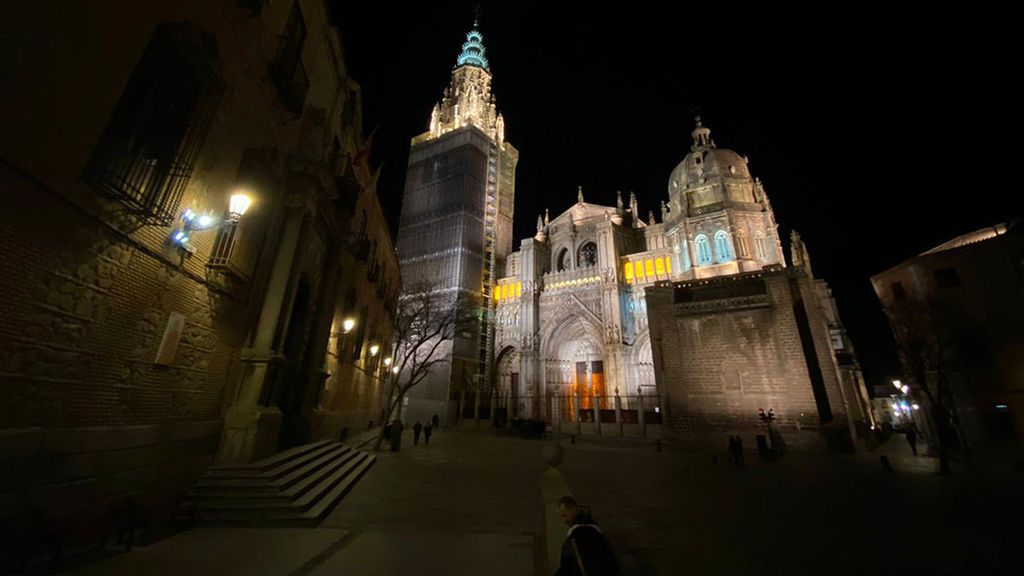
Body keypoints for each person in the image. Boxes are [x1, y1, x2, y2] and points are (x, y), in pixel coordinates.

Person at [555, 496, 620, 576]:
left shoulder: (571, 543)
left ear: (574, 510)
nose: (564, 521)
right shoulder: (598, 534)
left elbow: (565, 570)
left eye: (565, 515)